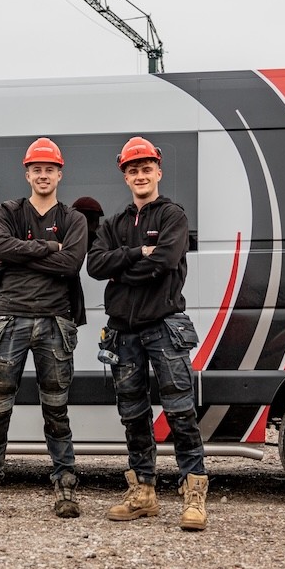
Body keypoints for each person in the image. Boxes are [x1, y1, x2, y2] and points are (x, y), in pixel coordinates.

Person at [86, 136, 209, 531]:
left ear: (158, 171)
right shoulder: (114, 224)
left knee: (180, 411)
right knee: (133, 413)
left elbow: (166, 262)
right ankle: (144, 492)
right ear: (125, 177)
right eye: (132, 170)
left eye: (145, 168)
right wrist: (138, 254)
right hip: (123, 332)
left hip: (164, 326)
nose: (139, 175)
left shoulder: (173, 215)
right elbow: (95, 265)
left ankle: (193, 495)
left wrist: (121, 268)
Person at [0, 137, 88, 518]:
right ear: (27, 173)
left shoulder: (74, 219)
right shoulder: (7, 210)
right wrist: (50, 248)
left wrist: (30, 252)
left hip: (56, 322)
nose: (43, 175)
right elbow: (1, 249)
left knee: (57, 410)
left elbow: (71, 265)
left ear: (60, 173)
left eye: (49, 169)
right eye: (36, 169)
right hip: (9, 321)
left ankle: (65, 490)